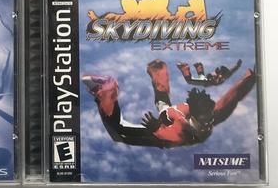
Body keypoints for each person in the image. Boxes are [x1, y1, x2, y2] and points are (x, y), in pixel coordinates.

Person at [82, 58, 256, 148]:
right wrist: (157, 129)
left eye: (209, 115)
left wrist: (252, 77)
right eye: (205, 118)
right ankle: (107, 91)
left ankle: (159, 72)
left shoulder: (209, 114)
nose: (209, 120)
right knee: (120, 135)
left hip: (171, 117)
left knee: (163, 103)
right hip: (168, 126)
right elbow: (175, 135)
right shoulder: (182, 126)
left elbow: (231, 98)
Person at [177, 59, 242, 87]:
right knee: (190, 81)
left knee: (200, 78)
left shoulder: (222, 77)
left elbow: (231, 71)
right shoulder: (223, 76)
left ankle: (198, 67)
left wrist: (237, 66)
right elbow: (231, 71)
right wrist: (237, 65)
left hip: (206, 81)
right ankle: (187, 68)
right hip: (206, 81)